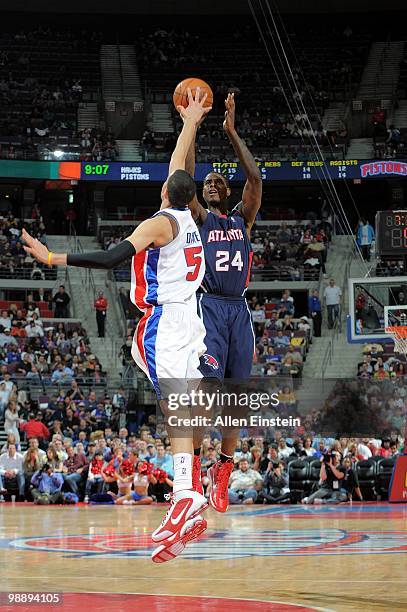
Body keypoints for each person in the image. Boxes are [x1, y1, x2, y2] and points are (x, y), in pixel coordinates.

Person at [22, 88, 211, 564]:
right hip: (193, 317)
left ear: (166, 191)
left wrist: (53, 256)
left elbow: (110, 257)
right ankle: (190, 492)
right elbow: (179, 162)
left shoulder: (160, 222)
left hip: (166, 320)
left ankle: (186, 497)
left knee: (172, 404)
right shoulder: (188, 214)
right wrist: (190, 121)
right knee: (183, 404)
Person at [184, 94, 262, 513]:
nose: (211, 184)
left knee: (236, 399)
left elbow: (256, 181)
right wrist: (192, 126)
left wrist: (232, 131)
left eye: (218, 182)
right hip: (209, 307)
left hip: (239, 310)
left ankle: (224, 468)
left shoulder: (241, 220)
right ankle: (195, 467)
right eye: (207, 182)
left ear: (227, 191)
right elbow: (187, 175)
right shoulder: (202, 219)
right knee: (206, 390)